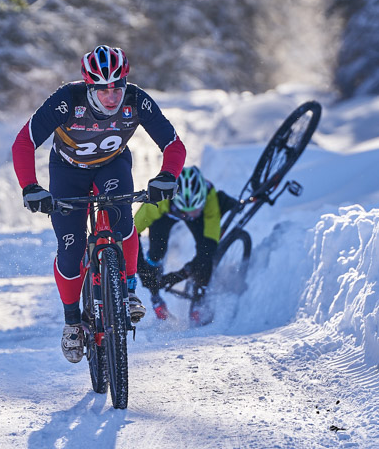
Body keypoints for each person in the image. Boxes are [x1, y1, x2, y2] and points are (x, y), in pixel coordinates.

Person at [12, 44, 186, 362]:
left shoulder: (137, 100)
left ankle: (129, 290)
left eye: (116, 87)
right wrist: (30, 187)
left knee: (122, 223)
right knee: (71, 249)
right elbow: (24, 142)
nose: (111, 96)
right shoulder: (66, 100)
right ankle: (71, 322)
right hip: (67, 171)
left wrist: (168, 176)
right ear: (89, 86)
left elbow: (174, 145)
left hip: (112, 165)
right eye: (102, 89)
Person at [135, 165, 237, 323]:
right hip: (166, 214)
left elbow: (208, 248)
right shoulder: (158, 200)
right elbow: (132, 232)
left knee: (205, 254)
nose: (191, 214)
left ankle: (199, 297)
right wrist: (143, 269)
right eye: (186, 211)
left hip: (199, 215)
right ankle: (155, 297)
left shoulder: (210, 198)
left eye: (195, 209)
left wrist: (183, 273)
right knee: (156, 252)